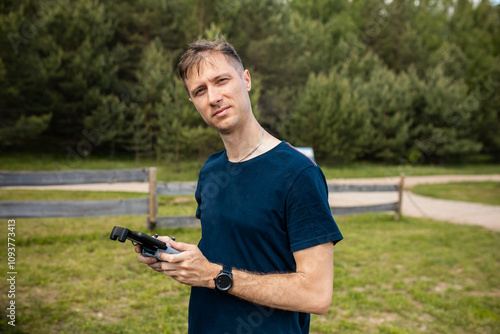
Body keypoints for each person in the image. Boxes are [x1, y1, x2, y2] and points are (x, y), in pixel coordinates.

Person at [136, 36, 343, 333]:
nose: (213, 97)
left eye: (221, 81)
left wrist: (212, 275)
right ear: (193, 102)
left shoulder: (299, 174)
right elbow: (231, 249)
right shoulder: (210, 170)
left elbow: (316, 294)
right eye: (200, 91)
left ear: (246, 79)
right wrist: (180, 259)